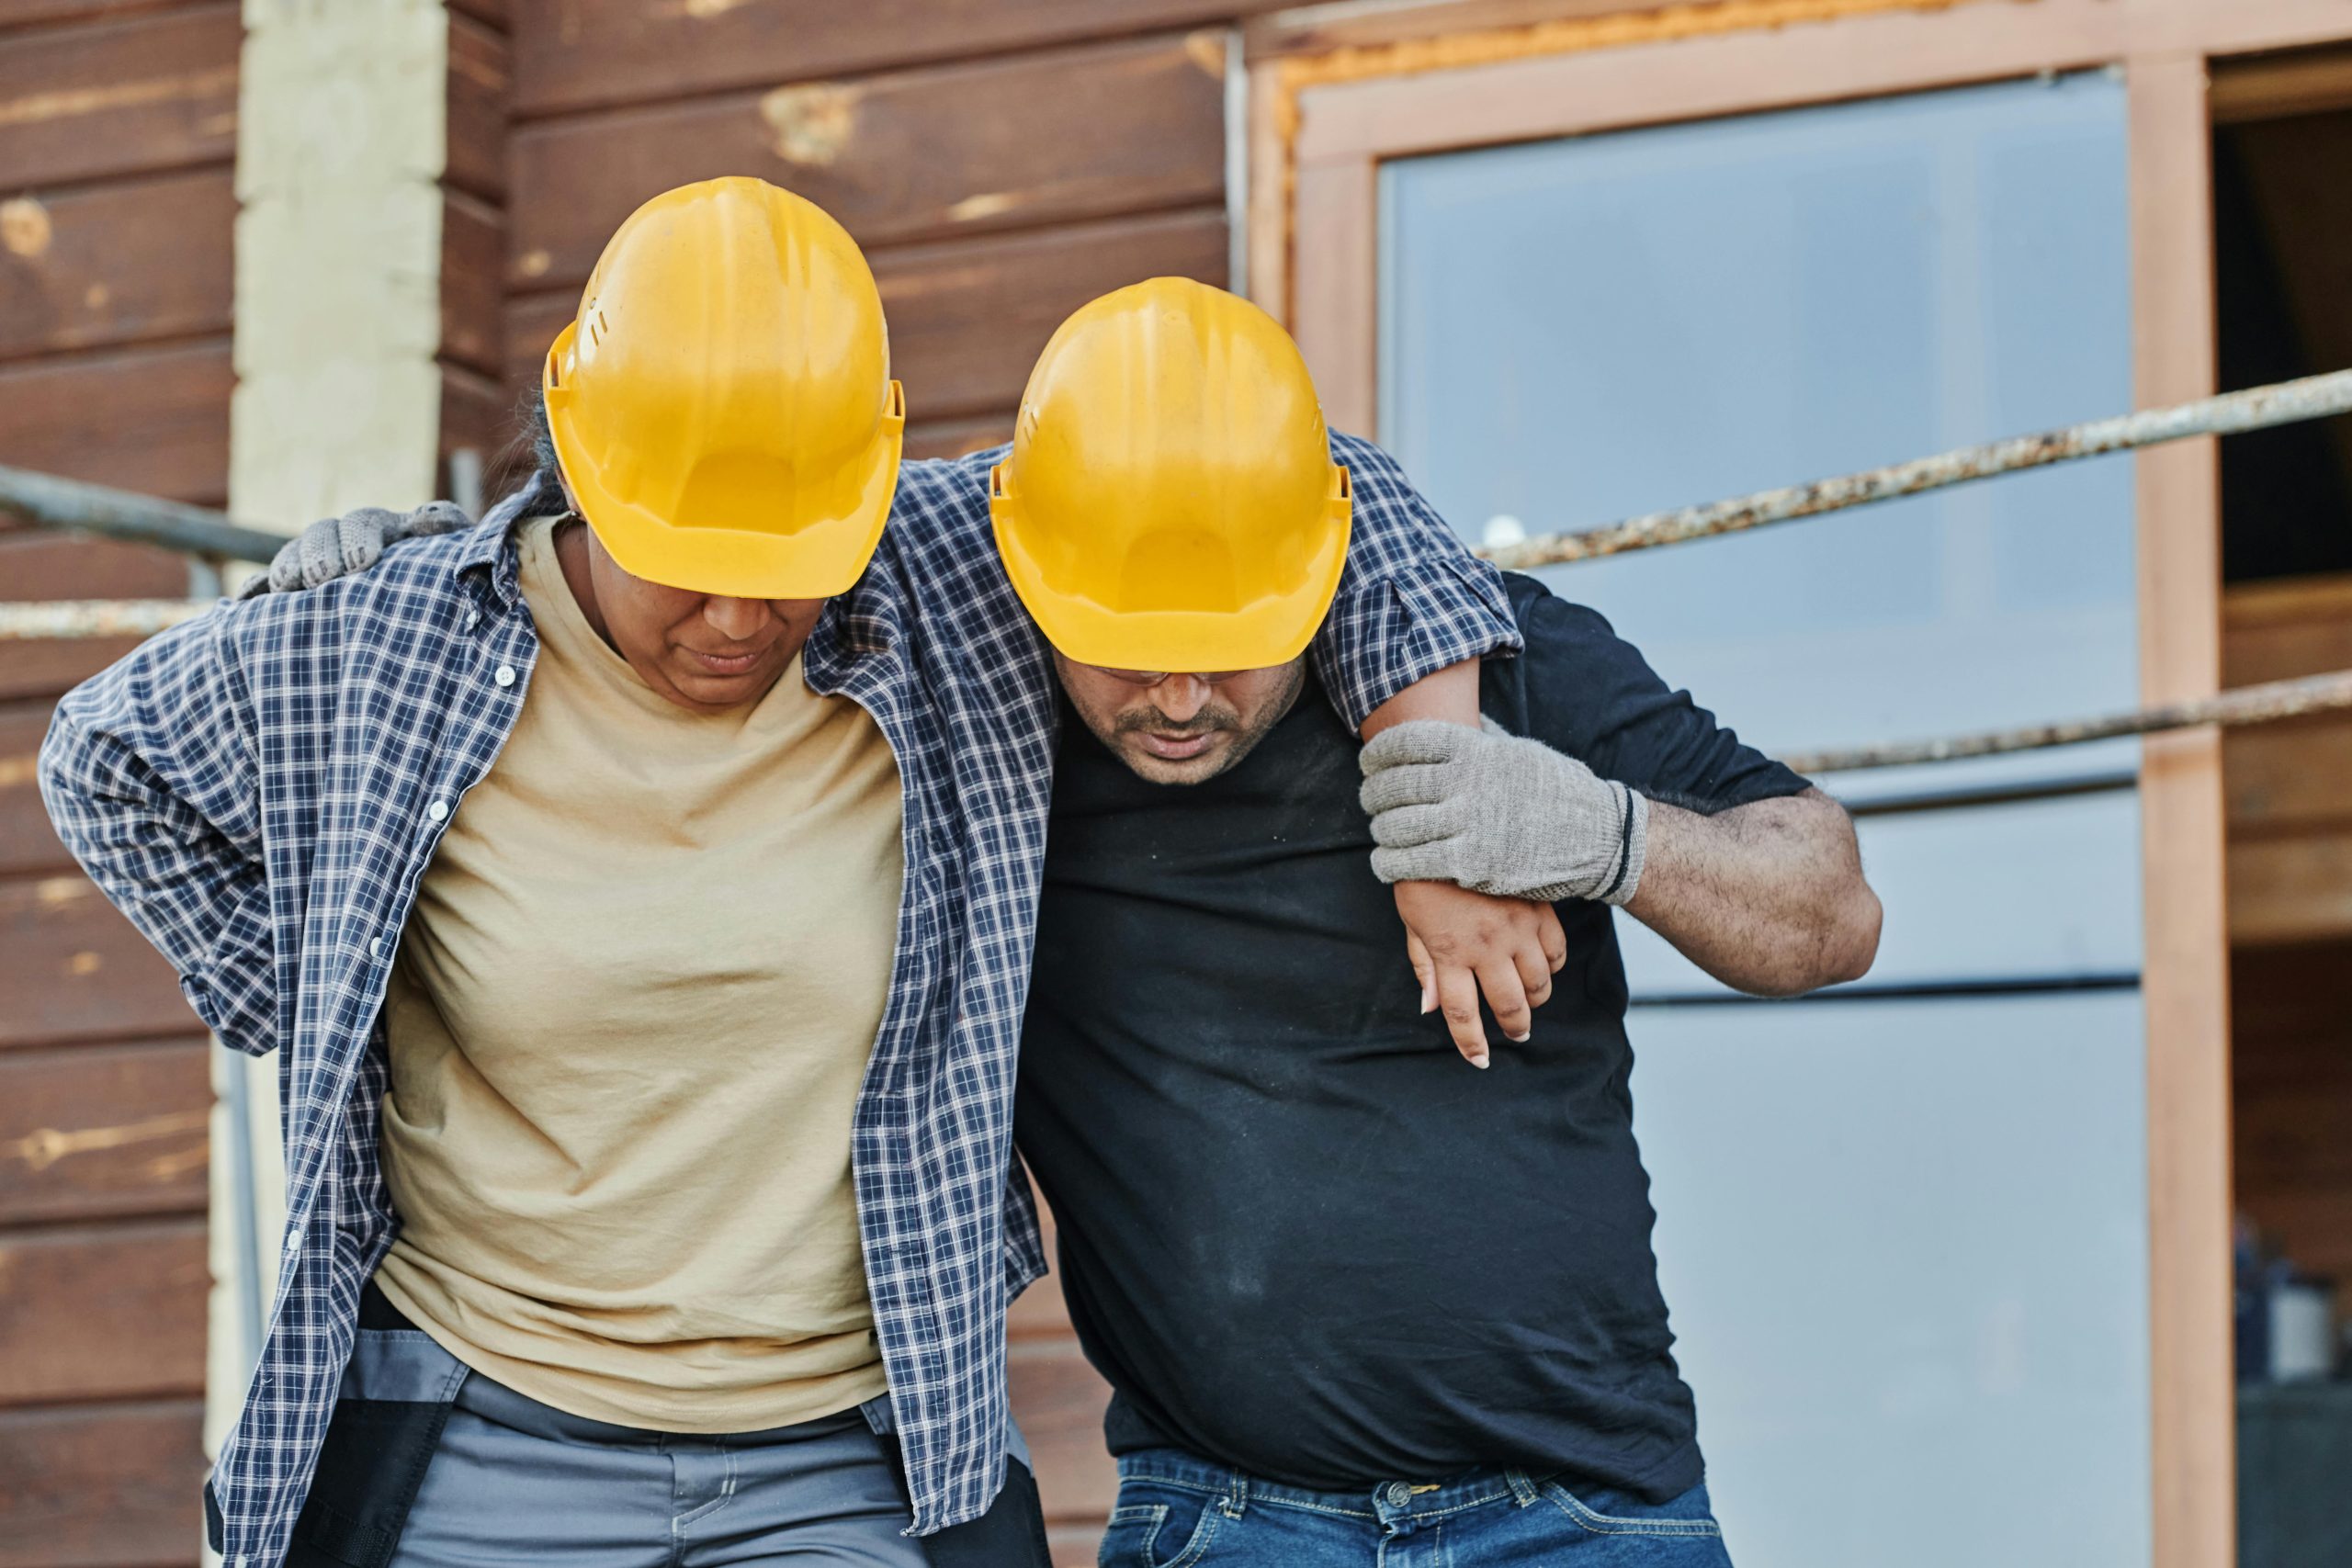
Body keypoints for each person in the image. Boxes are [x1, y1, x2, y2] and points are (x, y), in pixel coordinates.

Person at [39, 185, 1526, 1568]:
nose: (741, 613)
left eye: (792, 556)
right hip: (485, 1439)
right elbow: (101, 759)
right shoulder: (396, 639)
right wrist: (328, 1004)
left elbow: (1328, 485)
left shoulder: (938, 577)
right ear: (582, 470)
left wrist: (1442, 813)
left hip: (848, 1456)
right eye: (682, 555)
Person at [997, 281, 1881, 1563]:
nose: (1180, 694)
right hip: (1230, 1516)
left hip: (1581, 1511)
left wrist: (1607, 835)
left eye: (1231, 640)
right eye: (1129, 648)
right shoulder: (1002, 754)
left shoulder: (1509, 663)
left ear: (1316, 561)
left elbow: (1834, 912)